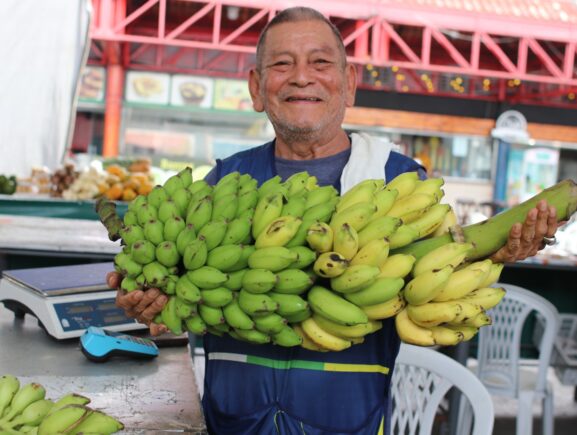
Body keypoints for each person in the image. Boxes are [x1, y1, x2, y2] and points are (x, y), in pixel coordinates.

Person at [108, 7, 559, 434]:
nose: (302, 76)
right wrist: (153, 303)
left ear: (349, 82)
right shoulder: (225, 182)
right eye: (282, 64)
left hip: (349, 421)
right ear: (256, 88)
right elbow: (202, 299)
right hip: (234, 420)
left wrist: (495, 251)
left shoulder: (398, 182)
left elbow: (433, 301)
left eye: (320, 62)